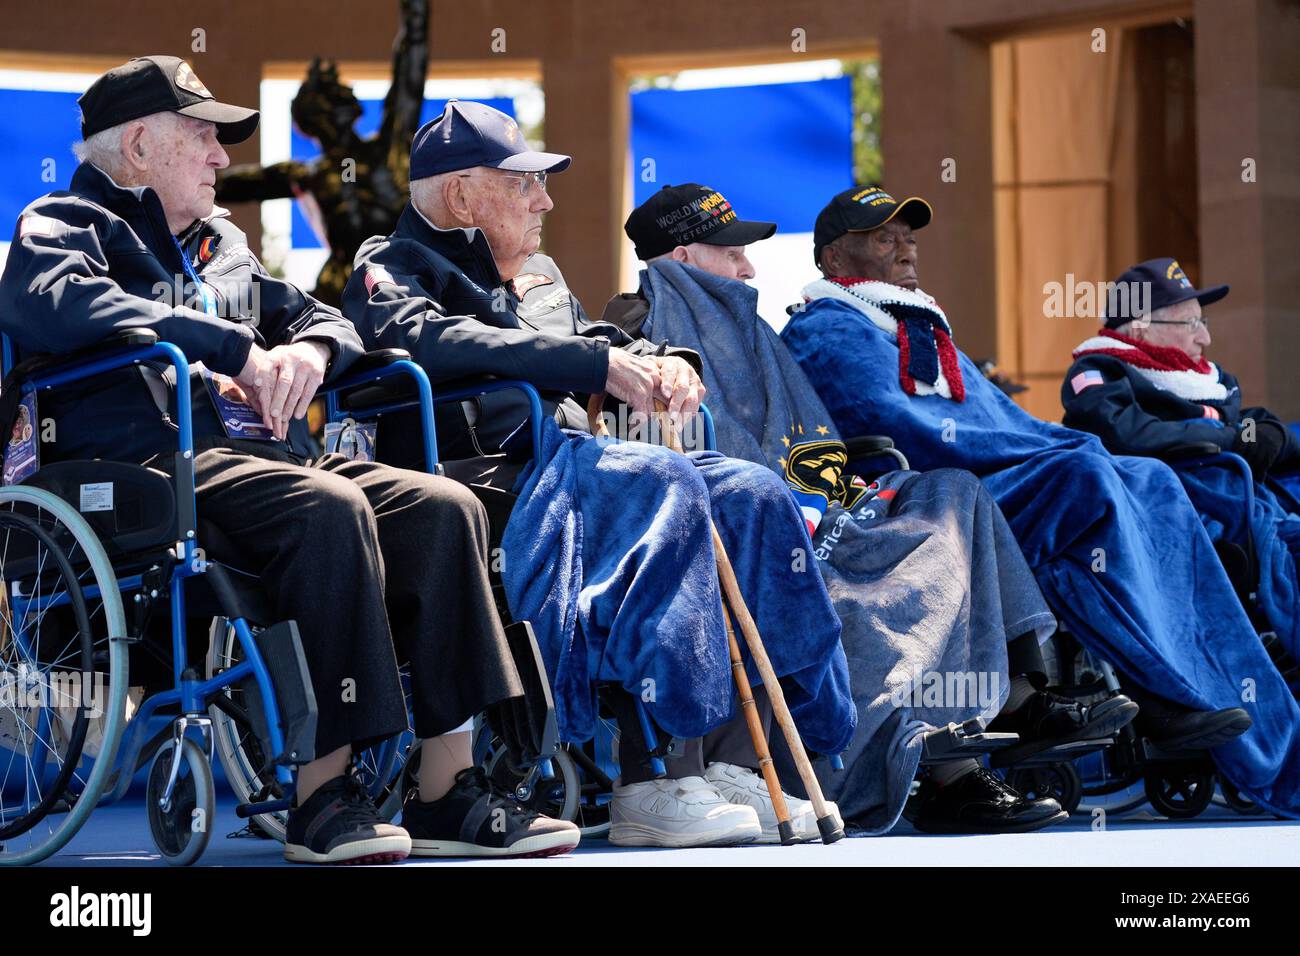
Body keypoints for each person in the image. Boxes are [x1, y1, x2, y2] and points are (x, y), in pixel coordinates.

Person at [0, 57, 580, 862]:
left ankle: (447, 788)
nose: (220, 157)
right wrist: (231, 347)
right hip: (138, 469)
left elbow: (326, 317)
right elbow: (47, 303)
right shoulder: (66, 222)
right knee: (326, 508)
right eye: (201, 137)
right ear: (138, 144)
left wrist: (306, 353)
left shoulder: (218, 246)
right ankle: (323, 796)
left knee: (445, 505)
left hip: (256, 463)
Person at [344, 102, 854, 846]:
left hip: (582, 464)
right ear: (460, 197)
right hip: (484, 475)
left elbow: (595, 337)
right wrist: (594, 363)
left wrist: (664, 361)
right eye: (523, 186)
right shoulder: (388, 265)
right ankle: (651, 777)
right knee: (659, 481)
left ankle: (737, 760)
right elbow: (433, 339)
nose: (545, 201)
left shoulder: (535, 279)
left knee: (752, 490)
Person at [602, 183, 1139, 834]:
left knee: (952, 492)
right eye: (732, 253)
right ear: (683, 258)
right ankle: (944, 773)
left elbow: (814, 438)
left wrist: (833, 496)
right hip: (738, 524)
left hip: (821, 506)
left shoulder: (755, 329)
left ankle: (1020, 700)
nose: (748, 269)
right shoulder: (635, 331)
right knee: (908, 559)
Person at [780, 185, 1300, 817]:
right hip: (921, 494)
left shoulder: (913, 321)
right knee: (1082, 478)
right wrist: (1052, 449)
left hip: (987, 473)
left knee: (1152, 480)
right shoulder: (830, 326)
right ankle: (1169, 695)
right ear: (837, 260)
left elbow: (996, 418)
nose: (906, 250)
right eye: (885, 239)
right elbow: (903, 424)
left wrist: (1056, 444)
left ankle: (1185, 696)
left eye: (909, 238)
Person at [1062, 257, 1300, 672]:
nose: (1205, 337)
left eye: (1203, 321)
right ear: (1140, 326)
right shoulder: (1097, 373)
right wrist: (1230, 437)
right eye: (1191, 324)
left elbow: (1247, 424)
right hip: (1183, 521)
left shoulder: (1210, 381)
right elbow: (1129, 436)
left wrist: (1270, 435)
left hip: (1245, 508)